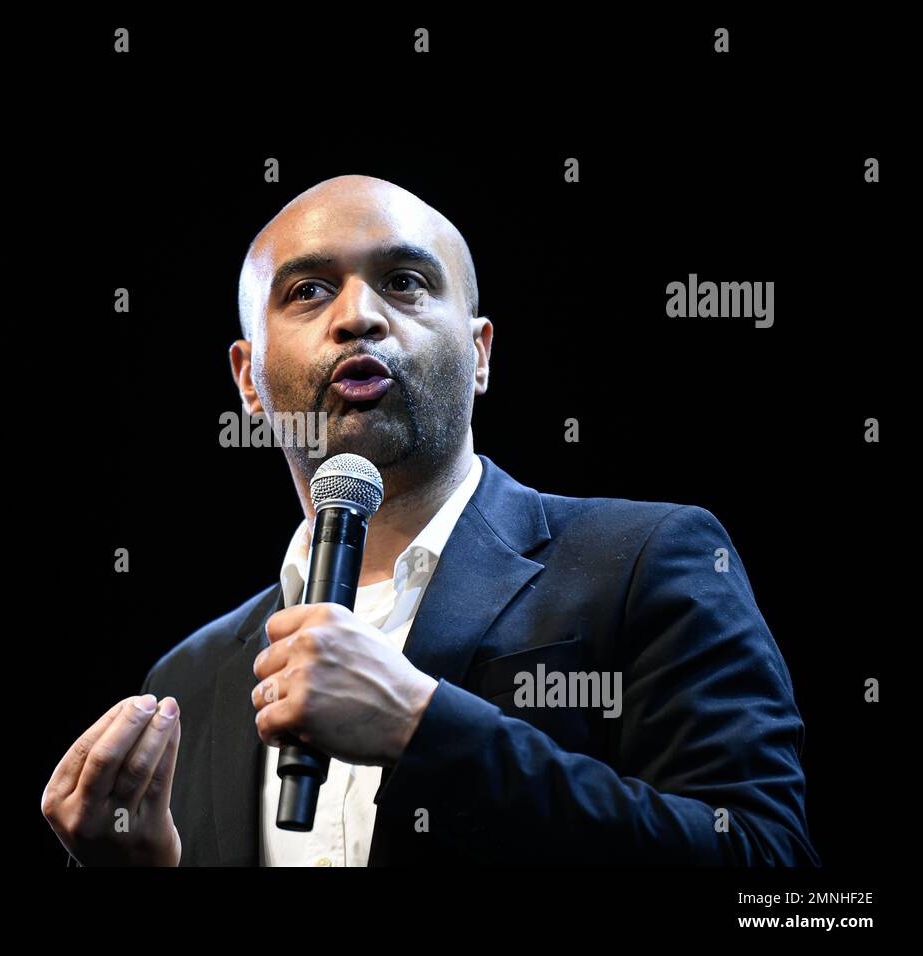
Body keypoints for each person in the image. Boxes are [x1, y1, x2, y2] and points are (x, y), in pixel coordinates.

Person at [41, 175, 819, 866]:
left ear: (480, 354)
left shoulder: (645, 561)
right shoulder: (190, 679)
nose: (358, 317)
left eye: (405, 281)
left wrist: (424, 725)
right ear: (248, 380)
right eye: (308, 291)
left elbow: (770, 870)